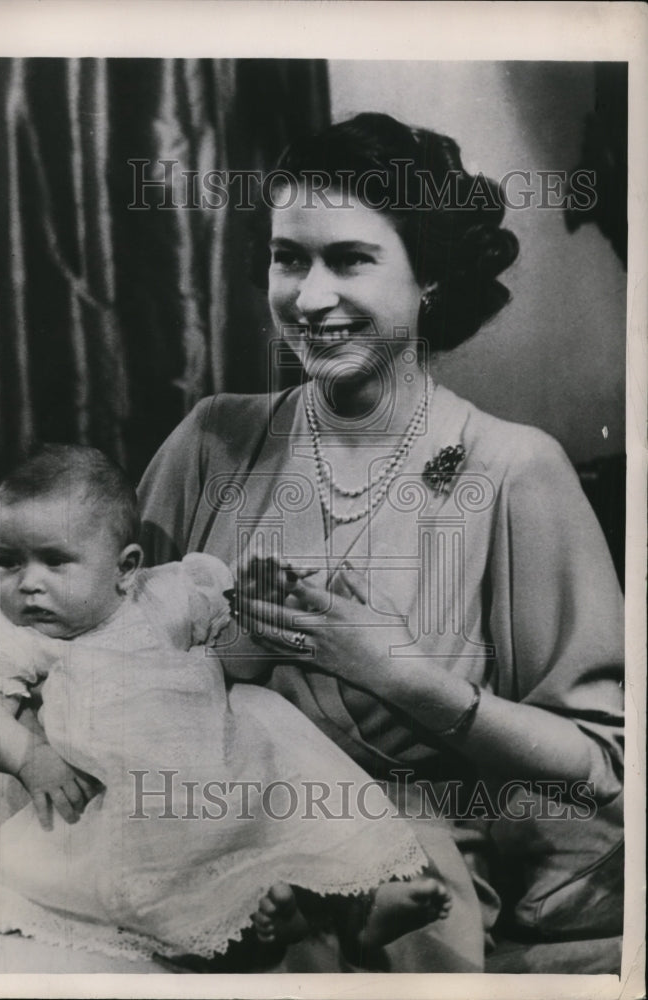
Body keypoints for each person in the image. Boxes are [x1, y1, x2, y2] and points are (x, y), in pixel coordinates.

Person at [137, 112, 625, 970]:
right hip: (183, 849)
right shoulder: (213, 438)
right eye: (289, 258)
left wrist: (397, 675)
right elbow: (106, 647)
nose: (309, 296)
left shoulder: (514, 470)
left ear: (428, 275)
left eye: (350, 259)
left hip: (395, 894)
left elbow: (599, 768)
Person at [0, 443, 458, 969]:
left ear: (125, 567)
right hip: (130, 799)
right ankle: (279, 928)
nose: (28, 583)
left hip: (230, 768)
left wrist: (258, 614)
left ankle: (359, 905)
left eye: (55, 561)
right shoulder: (23, 636)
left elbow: (237, 664)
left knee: (307, 823)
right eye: (8, 563)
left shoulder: (165, 596)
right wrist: (30, 756)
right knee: (174, 897)